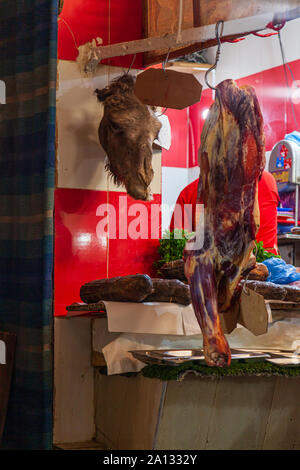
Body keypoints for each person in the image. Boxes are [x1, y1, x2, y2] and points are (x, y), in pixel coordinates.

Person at [169, 170, 280, 255]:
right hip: (264, 277)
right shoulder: (267, 181)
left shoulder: (188, 193)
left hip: (208, 279)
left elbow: (177, 255)